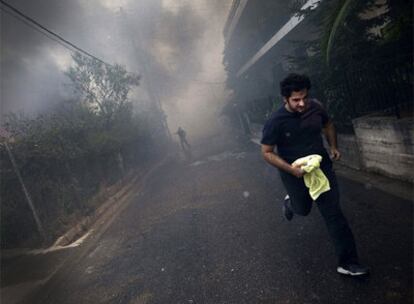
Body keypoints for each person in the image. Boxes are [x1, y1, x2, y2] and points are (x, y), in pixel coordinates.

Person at [261, 73, 369, 276]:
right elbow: (266, 152)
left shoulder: (315, 107)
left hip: (321, 169)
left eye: (304, 97)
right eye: (296, 100)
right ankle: (291, 203)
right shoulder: (275, 121)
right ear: (285, 99)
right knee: (302, 209)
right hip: (294, 172)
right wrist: (292, 170)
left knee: (334, 215)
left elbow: (328, 124)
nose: (302, 103)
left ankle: (348, 263)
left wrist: (333, 146)